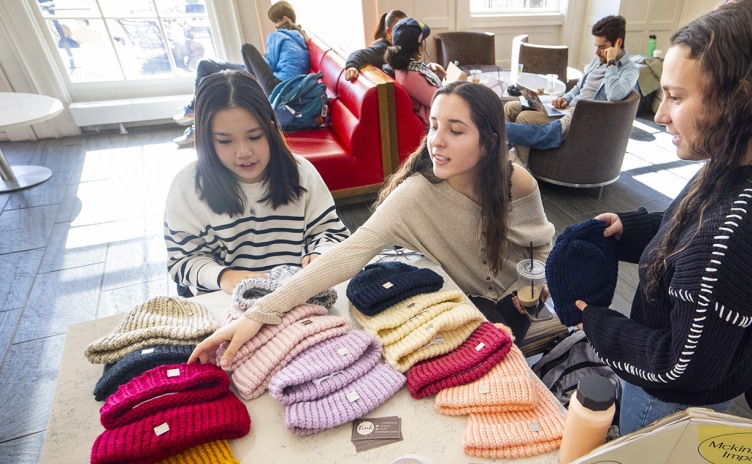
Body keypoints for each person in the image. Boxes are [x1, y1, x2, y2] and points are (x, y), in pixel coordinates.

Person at [569, 0, 752, 435]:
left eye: (676, 97)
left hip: (667, 404)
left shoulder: (729, 236)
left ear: (741, 97)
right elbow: (691, 228)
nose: (660, 114)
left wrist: (596, 323)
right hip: (722, 376)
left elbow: (680, 370)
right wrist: (634, 230)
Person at [188, 81, 556, 367]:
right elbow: (348, 254)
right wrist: (259, 312)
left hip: (519, 301)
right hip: (463, 306)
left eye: (455, 131)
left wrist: (536, 283)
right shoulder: (415, 196)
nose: (436, 141)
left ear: (489, 143)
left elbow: (538, 243)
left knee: (501, 356)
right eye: (433, 126)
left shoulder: (516, 181)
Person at [165, 70, 349, 296]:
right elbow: (182, 261)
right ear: (205, 138)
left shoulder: (302, 172)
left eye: (254, 137)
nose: (243, 152)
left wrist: (321, 254)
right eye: (225, 141)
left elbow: (331, 232)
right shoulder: (187, 187)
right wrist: (223, 276)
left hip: (296, 297)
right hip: (226, 305)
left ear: (271, 128)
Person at [173, 1, 310, 147]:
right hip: (281, 83)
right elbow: (274, 63)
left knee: (244, 49)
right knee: (209, 68)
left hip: (277, 85)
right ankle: (197, 115)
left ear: (285, 19)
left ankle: (196, 112)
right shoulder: (298, 37)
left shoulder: (279, 36)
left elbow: (270, 64)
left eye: (276, 21)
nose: (275, 26)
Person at [504, 15, 639, 160]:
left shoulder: (630, 70)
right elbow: (579, 87)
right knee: (510, 107)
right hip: (567, 108)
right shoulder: (598, 60)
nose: (597, 52)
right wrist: (565, 98)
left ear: (618, 43)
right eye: (596, 46)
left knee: (524, 118)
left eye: (602, 47)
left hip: (581, 118)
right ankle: (503, 157)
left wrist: (611, 62)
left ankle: (521, 169)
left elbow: (614, 94)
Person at [384, 18, 465, 128]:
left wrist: (429, 68)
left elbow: (419, 84)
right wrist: (458, 82)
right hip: (435, 125)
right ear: (419, 49)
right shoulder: (411, 77)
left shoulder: (403, 68)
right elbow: (441, 103)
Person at [344, 10, 407, 81]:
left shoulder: (397, 48)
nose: (405, 34)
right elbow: (358, 54)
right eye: (399, 30)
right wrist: (351, 67)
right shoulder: (382, 49)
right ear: (389, 32)